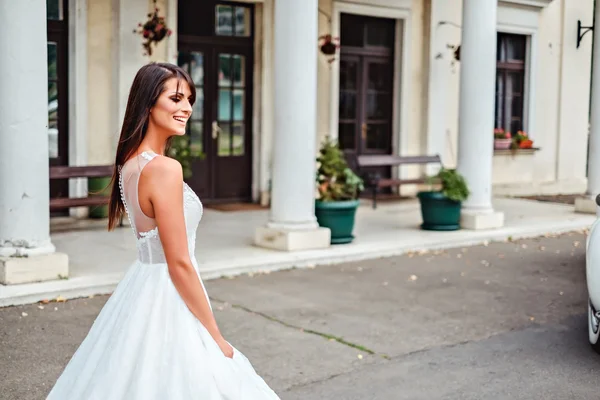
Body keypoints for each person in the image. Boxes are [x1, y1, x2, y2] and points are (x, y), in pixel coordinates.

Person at [47, 63, 280, 399]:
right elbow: (179, 262)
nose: (186, 108)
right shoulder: (164, 169)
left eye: (189, 99)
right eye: (175, 98)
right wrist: (215, 334)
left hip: (142, 288)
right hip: (169, 293)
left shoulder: (130, 163)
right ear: (148, 105)